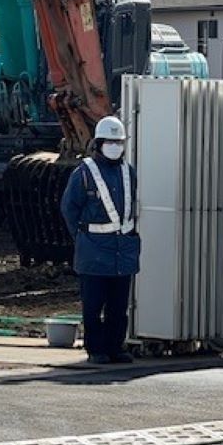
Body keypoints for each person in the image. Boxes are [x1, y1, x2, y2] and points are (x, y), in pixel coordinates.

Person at [60, 115, 141, 365]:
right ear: (99, 143)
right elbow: (69, 208)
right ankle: (96, 349)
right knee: (94, 305)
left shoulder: (129, 172)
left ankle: (116, 347)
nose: (116, 147)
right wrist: (83, 238)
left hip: (121, 250)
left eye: (119, 142)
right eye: (111, 142)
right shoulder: (83, 173)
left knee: (118, 306)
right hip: (94, 250)